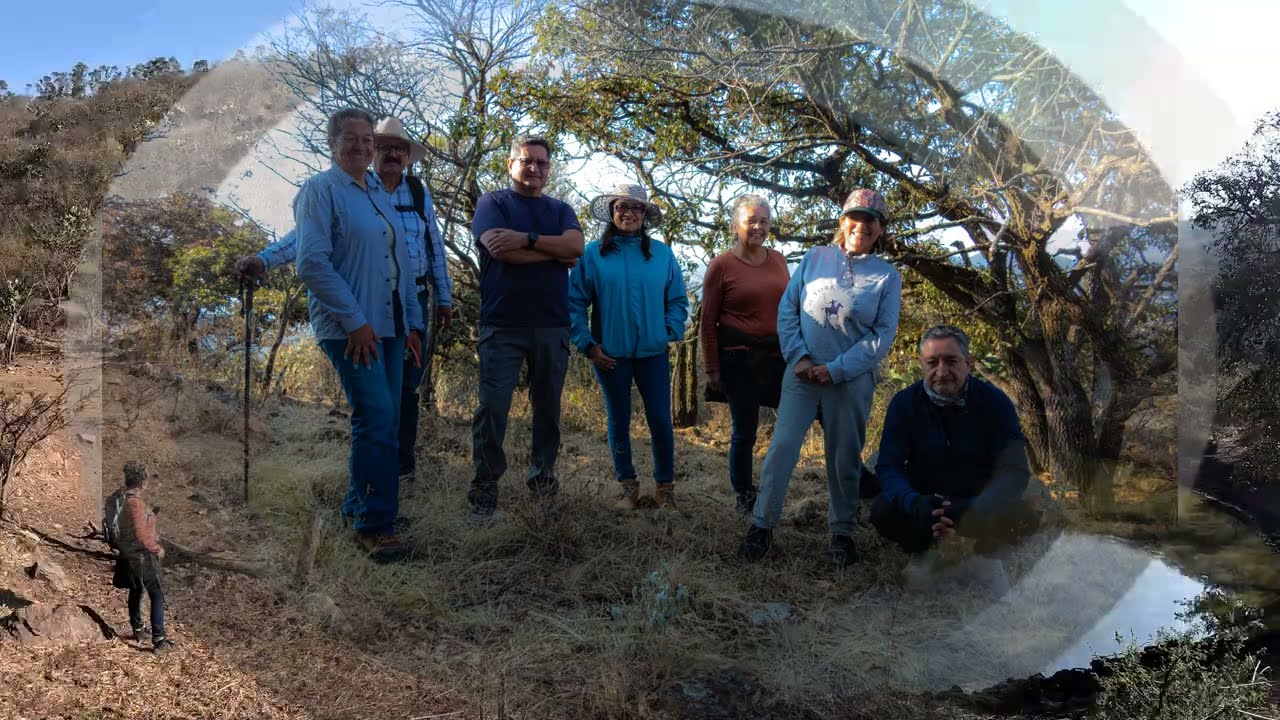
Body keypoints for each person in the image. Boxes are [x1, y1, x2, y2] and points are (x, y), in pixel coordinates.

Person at [235, 116, 453, 486]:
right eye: (384, 146)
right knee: (376, 406)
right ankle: (376, 491)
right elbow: (306, 242)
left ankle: (401, 468)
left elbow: (433, 245)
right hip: (361, 301)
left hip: (410, 300)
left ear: (407, 156)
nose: (391, 154)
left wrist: (443, 298)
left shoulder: (415, 193)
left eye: (399, 148)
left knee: (404, 392)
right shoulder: (331, 191)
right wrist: (266, 258)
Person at [738, 188, 902, 568]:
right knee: (781, 449)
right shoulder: (815, 258)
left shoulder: (886, 277)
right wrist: (798, 356)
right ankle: (761, 526)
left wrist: (838, 369)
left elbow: (881, 335)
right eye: (854, 219)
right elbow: (788, 311)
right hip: (801, 374)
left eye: (870, 221)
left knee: (844, 458)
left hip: (850, 380)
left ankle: (842, 533)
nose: (861, 226)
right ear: (842, 223)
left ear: (880, 230)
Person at [293, 108, 425, 561]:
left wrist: (410, 325)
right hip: (352, 329)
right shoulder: (320, 190)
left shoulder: (377, 193)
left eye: (368, 140)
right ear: (332, 143)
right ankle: (375, 525)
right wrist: (355, 321)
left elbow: (401, 264)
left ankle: (363, 503)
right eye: (351, 139)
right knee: (377, 416)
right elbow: (311, 262)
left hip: (389, 327)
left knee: (383, 419)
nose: (362, 147)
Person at [869, 324, 1041, 594]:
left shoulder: (995, 402)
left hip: (976, 499)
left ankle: (982, 557)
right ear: (921, 364)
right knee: (883, 511)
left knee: (1023, 517)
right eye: (932, 362)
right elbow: (889, 466)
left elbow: (1015, 470)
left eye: (951, 361)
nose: (941, 372)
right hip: (925, 500)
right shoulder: (903, 403)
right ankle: (923, 551)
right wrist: (914, 502)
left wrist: (977, 507)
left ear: (968, 362)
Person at [468, 135, 585, 521]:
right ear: (511, 164)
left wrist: (527, 239)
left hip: (552, 324)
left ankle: (543, 483)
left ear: (549, 168)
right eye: (527, 161)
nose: (534, 168)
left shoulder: (561, 209)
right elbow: (500, 250)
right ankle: (484, 489)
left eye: (542, 163)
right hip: (503, 323)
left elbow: (576, 248)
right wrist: (552, 254)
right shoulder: (493, 203)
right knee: (492, 408)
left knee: (548, 410)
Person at [568, 183, 689, 511]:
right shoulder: (592, 254)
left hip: (653, 353)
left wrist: (667, 331)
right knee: (618, 419)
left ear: (645, 215)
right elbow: (574, 302)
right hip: (609, 356)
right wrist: (588, 345)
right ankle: (627, 487)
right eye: (622, 206)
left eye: (637, 208)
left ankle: (665, 488)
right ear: (612, 211)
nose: (629, 213)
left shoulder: (661, 254)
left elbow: (678, 300)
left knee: (661, 420)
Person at [700, 195, 790, 516]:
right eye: (751, 220)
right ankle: (744, 494)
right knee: (745, 431)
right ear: (735, 225)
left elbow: (789, 310)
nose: (758, 227)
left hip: (777, 356)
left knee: (796, 421)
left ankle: (778, 482)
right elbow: (707, 322)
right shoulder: (720, 266)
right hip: (737, 359)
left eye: (764, 221)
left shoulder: (779, 260)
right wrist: (712, 369)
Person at [111, 462, 174, 654]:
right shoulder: (135, 503)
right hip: (142, 556)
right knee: (157, 594)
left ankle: (138, 630)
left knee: (136, 590)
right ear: (143, 482)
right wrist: (156, 549)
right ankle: (159, 640)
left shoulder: (121, 499)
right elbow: (140, 534)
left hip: (129, 554)